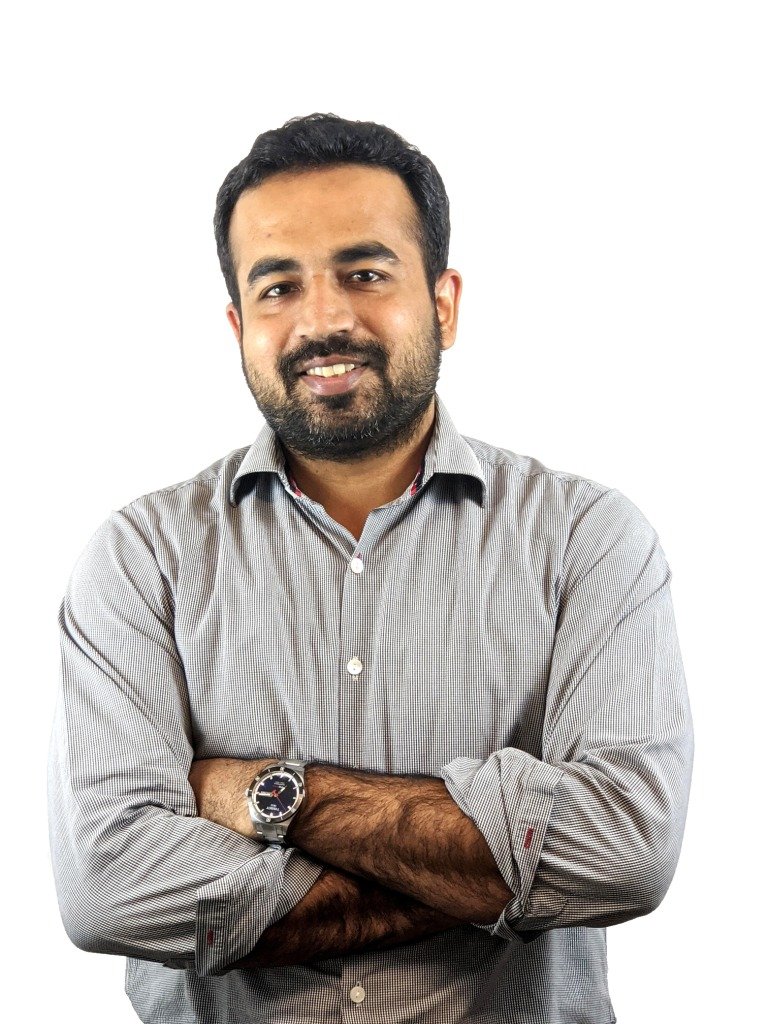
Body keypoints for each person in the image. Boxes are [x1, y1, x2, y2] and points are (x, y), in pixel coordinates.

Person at [48, 112, 694, 1024]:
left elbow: (624, 853)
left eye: (365, 273)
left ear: (444, 303)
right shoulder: (140, 560)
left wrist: (271, 796)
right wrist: (495, 870)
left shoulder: (586, 540)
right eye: (279, 287)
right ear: (238, 325)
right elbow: (109, 889)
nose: (323, 320)